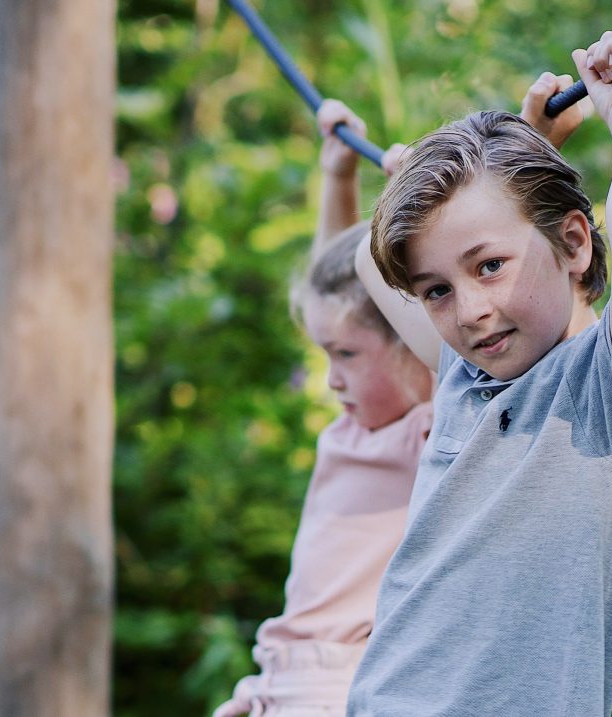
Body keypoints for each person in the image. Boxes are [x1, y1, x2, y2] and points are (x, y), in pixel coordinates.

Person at [347, 29, 612, 716]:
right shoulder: (466, 375)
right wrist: (526, 151)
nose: (470, 311)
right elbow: (370, 260)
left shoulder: (607, 387)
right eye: (438, 290)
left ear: (574, 242)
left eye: (489, 265)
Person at [212, 101, 434, 717]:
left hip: (338, 688)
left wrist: (414, 210)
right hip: (276, 682)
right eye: (325, 354)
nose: (332, 379)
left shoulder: (427, 434)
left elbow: (400, 311)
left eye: (347, 356)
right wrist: (339, 176)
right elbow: (336, 285)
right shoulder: (357, 427)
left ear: (410, 342)